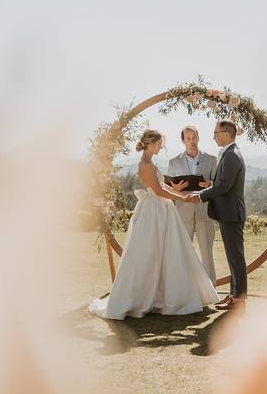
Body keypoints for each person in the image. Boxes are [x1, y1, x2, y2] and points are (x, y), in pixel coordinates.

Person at [89, 130, 219, 319]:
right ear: (149, 144)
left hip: (162, 209)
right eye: (158, 144)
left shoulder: (150, 163)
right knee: (151, 251)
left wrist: (182, 195)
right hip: (154, 211)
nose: (160, 147)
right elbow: (158, 191)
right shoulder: (144, 165)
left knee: (166, 251)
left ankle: (163, 293)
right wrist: (186, 199)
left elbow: (163, 186)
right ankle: (144, 296)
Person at [188, 120, 247, 312]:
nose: (213, 136)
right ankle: (235, 294)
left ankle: (238, 299)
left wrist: (201, 196)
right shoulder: (229, 153)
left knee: (235, 257)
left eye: (216, 132)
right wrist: (210, 185)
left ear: (227, 135)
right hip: (229, 213)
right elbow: (222, 182)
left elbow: (224, 186)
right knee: (233, 256)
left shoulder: (231, 155)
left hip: (231, 213)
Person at [166, 126, 217, 284]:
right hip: (183, 212)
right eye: (188, 138)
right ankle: (184, 289)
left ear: (198, 138)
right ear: (183, 140)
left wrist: (209, 183)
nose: (192, 141)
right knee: (182, 253)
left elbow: (219, 185)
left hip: (205, 211)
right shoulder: (173, 162)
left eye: (194, 137)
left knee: (207, 253)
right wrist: (175, 188)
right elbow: (168, 187)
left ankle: (211, 288)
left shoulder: (211, 159)